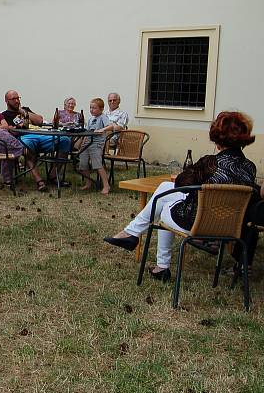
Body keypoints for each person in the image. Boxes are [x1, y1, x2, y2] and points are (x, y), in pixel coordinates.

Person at [104, 111, 257, 281]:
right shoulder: (250, 168)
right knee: (164, 188)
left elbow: (181, 185)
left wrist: (188, 175)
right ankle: (138, 242)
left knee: (162, 206)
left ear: (217, 139)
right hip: (230, 229)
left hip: (197, 224)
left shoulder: (210, 163)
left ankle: (145, 248)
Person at [2, 90, 70, 191]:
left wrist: (23, 112)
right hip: (24, 137)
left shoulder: (25, 109)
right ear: (6, 101)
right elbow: (9, 130)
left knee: (65, 140)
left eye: (18, 98)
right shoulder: (4, 115)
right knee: (28, 145)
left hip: (40, 134)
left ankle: (53, 176)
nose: (17, 101)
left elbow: (40, 120)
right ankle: (39, 181)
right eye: (13, 99)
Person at [76, 98, 111, 195]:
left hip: (96, 144)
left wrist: (102, 130)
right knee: (83, 164)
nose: (91, 110)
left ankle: (106, 185)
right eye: (90, 108)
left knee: (97, 164)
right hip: (87, 144)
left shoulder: (103, 117)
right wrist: (82, 142)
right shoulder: (91, 119)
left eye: (94, 108)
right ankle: (88, 183)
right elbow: (87, 132)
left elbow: (111, 126)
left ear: (101, 109)